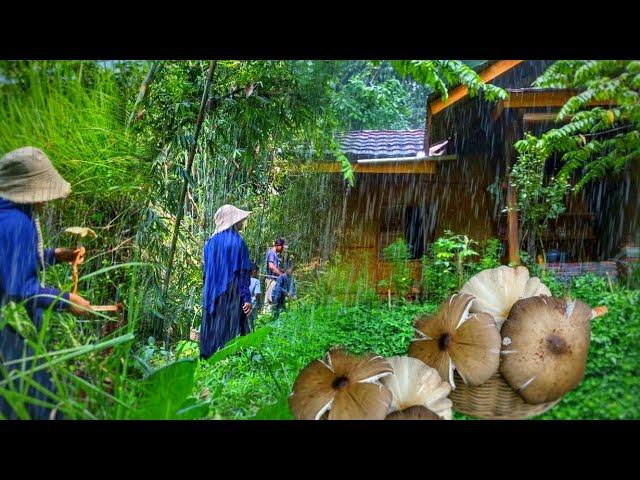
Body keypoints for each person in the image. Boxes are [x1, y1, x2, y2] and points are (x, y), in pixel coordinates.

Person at [0, 146, 92, 420]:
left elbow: (10, 264)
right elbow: (18, 290)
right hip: (6, 328)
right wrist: (65, 300)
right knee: (39, 400)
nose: (45, 201)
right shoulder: (17, 223)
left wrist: (55, 255)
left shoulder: (8, 214)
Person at [201, 204, 253, 359]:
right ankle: (230, 360)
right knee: (231, 328)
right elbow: (242, 273)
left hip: (211, 292)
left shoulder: (209, 243)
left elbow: (205, 273)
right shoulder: (238, 242)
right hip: (232, 291)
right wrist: (246, 298)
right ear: (232, 220)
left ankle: (208, 358)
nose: (243, 221)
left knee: (213, 327)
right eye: (240, 219)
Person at [263, 238, 285, 309]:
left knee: (273, 299)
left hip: (274, 279)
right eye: (282, 247)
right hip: (271, 280)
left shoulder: (275, 254)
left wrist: (280, 271)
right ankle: (266, 317)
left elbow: (274, 267)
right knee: (270, 299)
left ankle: (269, 317)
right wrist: (280, 275)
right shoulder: (272, 253)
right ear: (278, 245)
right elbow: (271, 266)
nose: (282, 249)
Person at [248, 263, 261, 331]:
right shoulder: (256, 281)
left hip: (244, 305)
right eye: (258, 272)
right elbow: (257, 294)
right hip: (253, 305)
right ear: (254, 271)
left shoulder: (243, 279)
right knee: (253, 322)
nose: (258, 274)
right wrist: (259, 304)